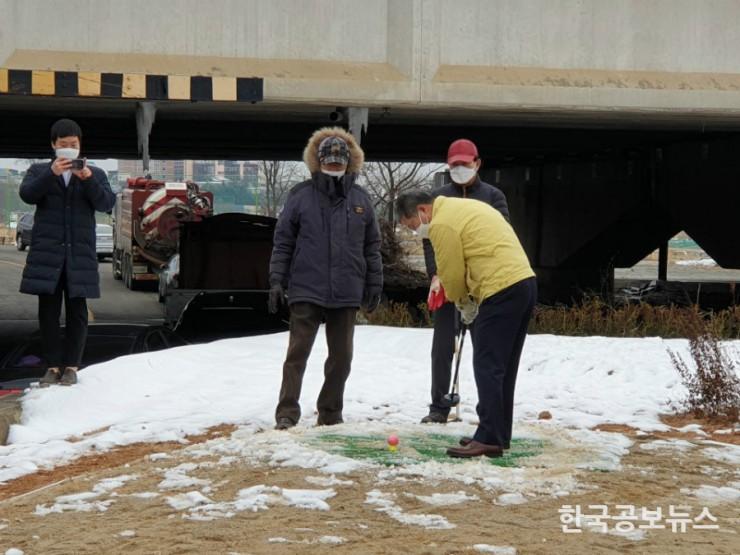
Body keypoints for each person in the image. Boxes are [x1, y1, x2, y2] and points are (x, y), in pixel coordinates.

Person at [397, 190, 536, 458]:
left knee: (488, 365)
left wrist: (462, 303)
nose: (417, 232)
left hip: (500, 289)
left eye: (414, 225)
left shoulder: (441, 223)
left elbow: (450, 271)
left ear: (423, 211)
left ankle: (489, 437)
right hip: (523, 284)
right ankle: (497, 433)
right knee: (503, 368)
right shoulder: (462, 208)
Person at [268, 127, 383, 430]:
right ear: (318, 163)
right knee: (297, 354)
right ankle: (286, 412)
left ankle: (330, 412)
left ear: (348, 163)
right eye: (328, 164)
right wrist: (277, 280)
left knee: (341, 358)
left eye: (338, 164)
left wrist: (374, 283)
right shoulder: (300, 196)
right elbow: (283, 242)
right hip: (306, 286)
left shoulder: (361, 199)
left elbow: (372, 246)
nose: (333, 169)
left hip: (346, 289)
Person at [19, 118, 116, 386]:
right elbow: (27, 195)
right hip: (47, 255)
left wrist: (86, 180)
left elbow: (106, 202)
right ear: (53, 146)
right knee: (48, 313)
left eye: (73, 145)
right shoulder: (39, 171)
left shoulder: (94, 173)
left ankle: (72, 366)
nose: (69, 150)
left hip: (79, 255)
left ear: (80, 145)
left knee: (78, 312)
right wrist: (50, 174)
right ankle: (52, 367)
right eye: (64, 145)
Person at [420, 138, 510, 424]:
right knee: (442, 348)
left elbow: (501, 238)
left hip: (483, 288)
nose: (460, 168)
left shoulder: (494, 196)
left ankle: (490, 410)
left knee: (487, 350)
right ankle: (438, 406)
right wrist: (438, 274)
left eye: (465, 163)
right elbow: (429, 241)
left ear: (477, 163)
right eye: (455, 164)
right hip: (448, 283)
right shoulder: (437, 198)